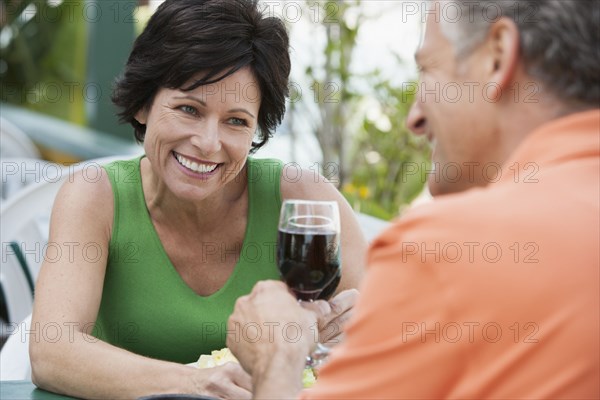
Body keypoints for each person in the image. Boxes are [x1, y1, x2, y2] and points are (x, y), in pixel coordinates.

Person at [227, 0, 600, 398]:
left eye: (428, 70)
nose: (415, 118)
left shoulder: (446, 250)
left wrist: (277, 357)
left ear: (497, 57)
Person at [29, 1, 367, 399]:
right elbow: (52, 352)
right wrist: (196, 383)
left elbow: (388, 339)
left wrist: (352, 329)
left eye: (236, 121)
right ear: (143, 105)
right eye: (189, 109)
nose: (208, 144)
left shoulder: (304, 202)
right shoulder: (95, 195)